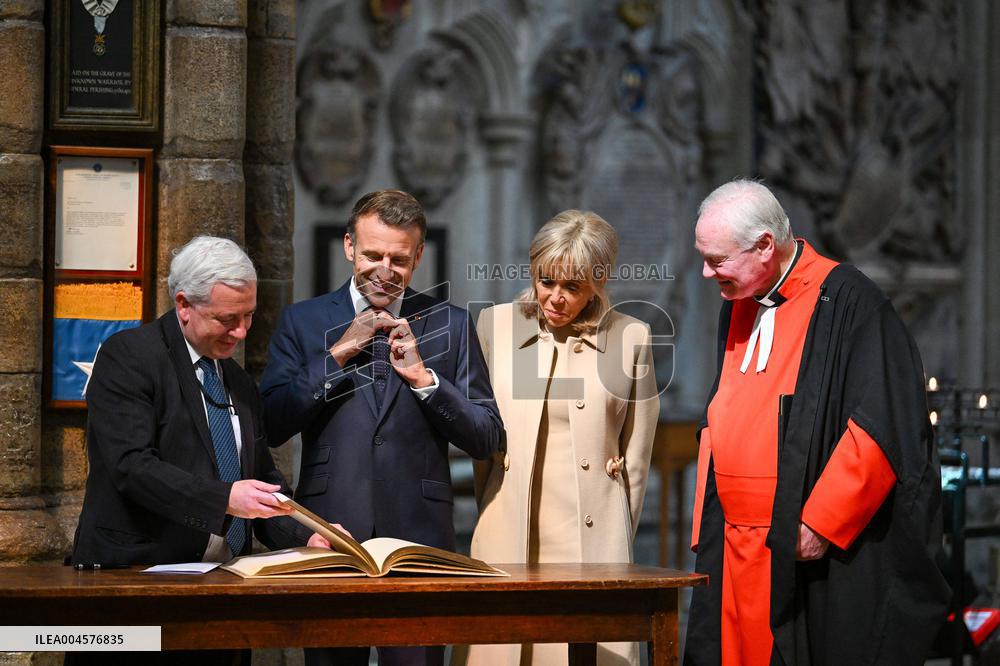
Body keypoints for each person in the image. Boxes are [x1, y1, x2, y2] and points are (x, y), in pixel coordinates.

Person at [685, 180, 950, 665]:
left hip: (797, 548)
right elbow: (721, 411)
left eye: (716, 259)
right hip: (733, 547)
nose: (706, 272)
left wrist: (822, 522)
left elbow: (880, 425)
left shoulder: (852, 303)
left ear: (765, 246)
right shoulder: (739, 301)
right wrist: (708, 511)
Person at [260, 189, 504, 666]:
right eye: (372, 255)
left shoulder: (450, 325)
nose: (384, 270)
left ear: (418, 257)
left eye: (398, 258)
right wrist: (335, 356)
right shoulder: (303, 321)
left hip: (419, 541)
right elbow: (273, 423)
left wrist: (425, 381)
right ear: (349, 247)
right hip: (330, 536)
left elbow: (486, 436)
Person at [70, 236, 335, 665]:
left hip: (221, 594)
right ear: (183, 305)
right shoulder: (129, 356)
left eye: (248, 316)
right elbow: (131, 467)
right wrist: (226, 499)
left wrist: (309, 535)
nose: (242, 332)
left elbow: (263, 484)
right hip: (135, 586)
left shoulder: (241, 383)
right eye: (227, 319)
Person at [464, 210, 660, 666]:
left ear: (599, 282)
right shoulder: (496, 325)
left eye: (572, 287)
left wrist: (615, 537)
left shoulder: (631, 336)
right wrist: (497, 508)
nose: (555, 298)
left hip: (593, 540)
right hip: (508, 531)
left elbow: (636, 457)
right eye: (546, 280)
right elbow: (482, 443)